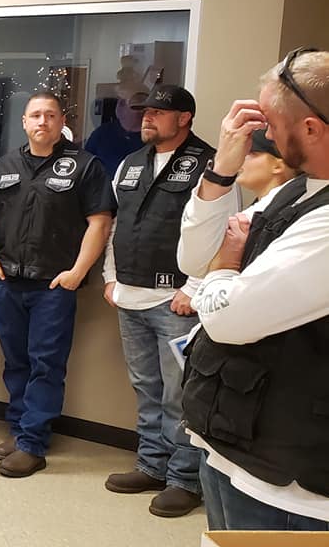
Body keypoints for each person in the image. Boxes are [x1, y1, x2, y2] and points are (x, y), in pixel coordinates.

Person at [178, 48, 329, 531]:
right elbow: (192, 259)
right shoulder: (297, 190)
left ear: (311, 129)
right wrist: (221, 170)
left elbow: (227, 317)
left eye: (269, 121)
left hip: (291, 487)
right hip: (234, 445)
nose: (259, 133)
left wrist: (224, 268)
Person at [0, 91, 115, 478]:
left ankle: (33, 443)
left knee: (46, 364)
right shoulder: (4, 164)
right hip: (8, 280)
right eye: (35, 115)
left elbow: (100, 222)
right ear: (24, 122)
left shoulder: (85, 166)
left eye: (50, 115)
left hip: (53, 285)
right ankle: (20, 428)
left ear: (61, 122)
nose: (43, 122)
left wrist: (77, 272)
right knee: (15, 362)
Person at [100, 84, 213, 517]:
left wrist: (194, 287)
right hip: (130, 294)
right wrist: (110, 277)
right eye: (145, 111)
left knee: (179, 393)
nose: (147, 117)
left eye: (158, 112)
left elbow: (222, 230)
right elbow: (116, 225)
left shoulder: (208, 164)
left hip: (176, 301)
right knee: (146, 387)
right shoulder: (130, 163)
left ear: (184, 118)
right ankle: (151, 464)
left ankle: (184, 478)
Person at [86, 89, 149, 172]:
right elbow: (86, 166)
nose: (119, 106)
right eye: (119, 102)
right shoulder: (103, 133)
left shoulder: (152, 137)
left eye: (140, 106)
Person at [236, 129, 297, 200]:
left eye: (251, 153)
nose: (240, 158)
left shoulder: (293, 206)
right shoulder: (260, 207)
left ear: (278, 167)